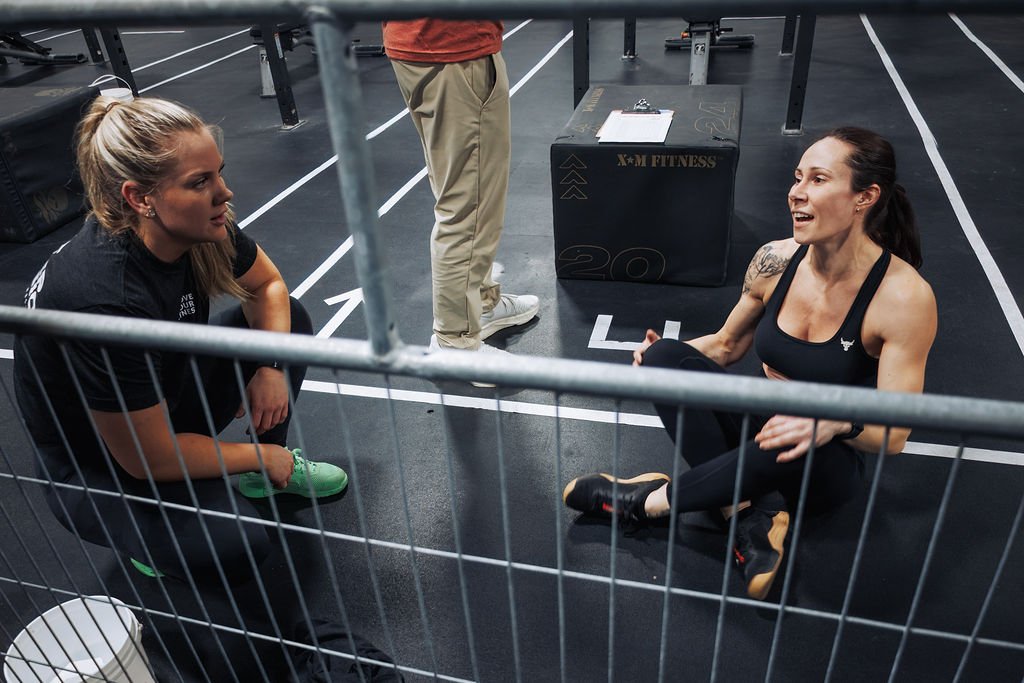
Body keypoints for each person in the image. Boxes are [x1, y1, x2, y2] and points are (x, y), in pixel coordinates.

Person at [563, 127, 938, 600]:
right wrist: (663, 363)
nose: (796, 193)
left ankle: (645, 502)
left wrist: (833, 421)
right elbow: (724, 345)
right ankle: (749, 518)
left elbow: (896, 434)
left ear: (865, 196)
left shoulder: (903, 297)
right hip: (761, 425)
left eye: (818, 180)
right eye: (797, 177)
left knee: (791, 432)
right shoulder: (776, 261)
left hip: (823, 460)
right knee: (665, 355)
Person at [13, 96, 347, 583]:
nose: (225, 193)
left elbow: (269, 285)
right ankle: (151, 533)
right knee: (235, 541)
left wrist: (270, 368)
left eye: (218, 174)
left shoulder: (200, 226)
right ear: (139, 198)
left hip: (157, 403)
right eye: (200, 182)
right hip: (101, 466)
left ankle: (265, 479)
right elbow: (148, 457)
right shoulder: (104, 297)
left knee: (287, 320)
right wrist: (258, 451)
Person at [382, 18, 539, 361]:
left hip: (425, 42)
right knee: (468, 205)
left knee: (465, 194)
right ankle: (455, 340)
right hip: (453, 45)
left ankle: (478, 306)